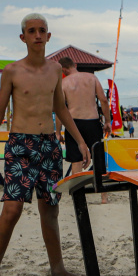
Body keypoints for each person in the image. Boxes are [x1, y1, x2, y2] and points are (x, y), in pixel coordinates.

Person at [0, 13, 91, 276]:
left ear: (49, 36)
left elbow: (60, 109)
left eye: (42, 30)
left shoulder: (54, 71)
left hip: (49, 146)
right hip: (19, 146)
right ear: (23, 37)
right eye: (31, 31)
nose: (37, 35)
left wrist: (80, 141)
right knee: (11, 209)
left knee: (49, 208)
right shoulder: (12, 71)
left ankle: (57, 269)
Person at [56, 57, 111, 202]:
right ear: (75, 65)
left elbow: (61, 110)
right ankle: (103, 195)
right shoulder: (92, 78)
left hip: (73, 123)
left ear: (63, 70)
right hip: (92, 121)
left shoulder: (63, 83)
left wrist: (57, 131)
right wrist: (108, 121)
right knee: (98, 158)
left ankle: (78, 195)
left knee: (76, 160)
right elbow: (104, 100)